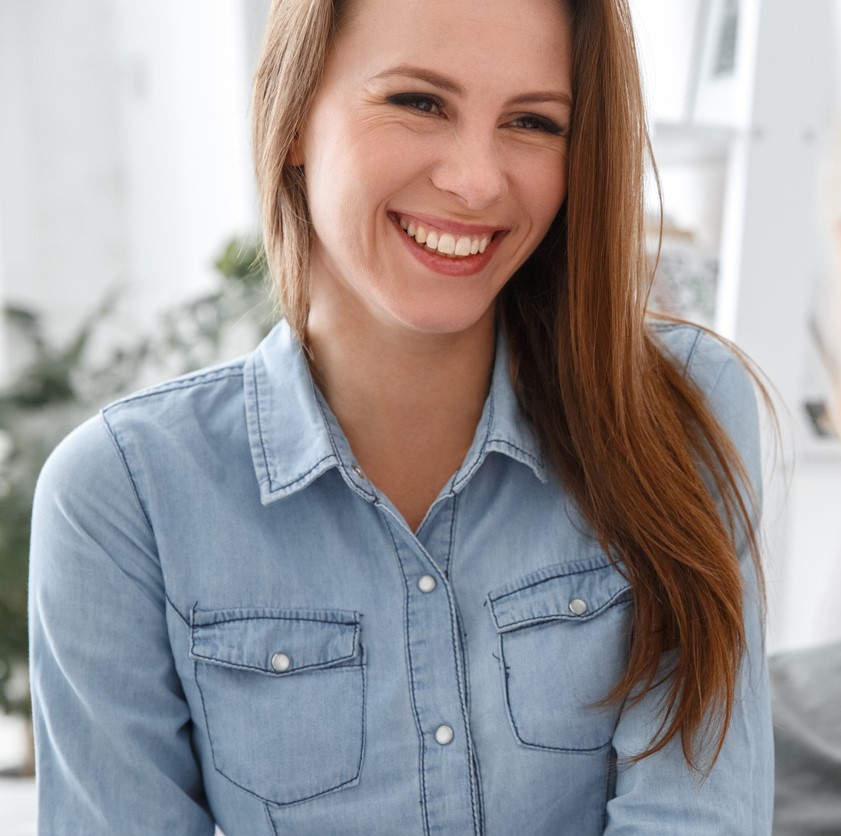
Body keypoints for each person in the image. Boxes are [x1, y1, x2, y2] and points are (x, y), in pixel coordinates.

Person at [28, 0, 774, 832]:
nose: (476, 179)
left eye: (532, 121)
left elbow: (694, 816)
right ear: (292, 116)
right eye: (419, 102)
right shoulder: (124, 495)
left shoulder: (678, 415)